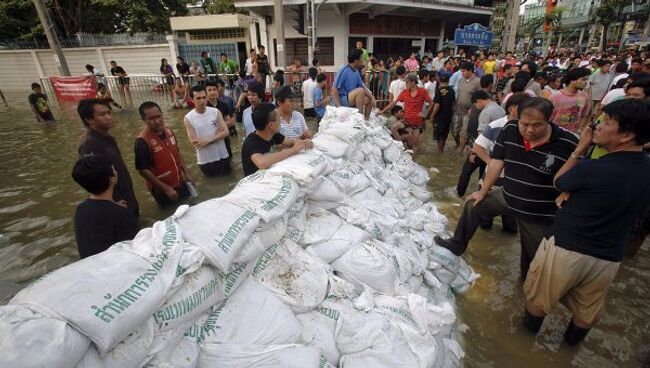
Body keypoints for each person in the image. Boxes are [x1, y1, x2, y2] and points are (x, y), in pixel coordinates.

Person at [523, 98, 650, 345]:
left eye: (608, 122)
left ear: (626, 135)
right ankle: (569, 348)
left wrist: (579, 149)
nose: (598, 126)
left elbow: (559, 182)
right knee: (585, 313)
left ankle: (524, 344)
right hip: (608, 257)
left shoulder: (594, 168)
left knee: (538, 300)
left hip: (567, 249)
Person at [435, 98, 579, 279]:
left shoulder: (569, 143)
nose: (529, 130)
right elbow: (497, 163)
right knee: (473, 205)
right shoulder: (509, 130)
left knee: (533, 262)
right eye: (524, 124)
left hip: (537, 212)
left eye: (537, 125)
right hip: (507, 196)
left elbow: (581, 174)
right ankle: (457, 245)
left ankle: (526, 285)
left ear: (549, 120)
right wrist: (483, 190)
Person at [77, 98, 139, 219]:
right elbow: (90, 179)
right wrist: (110, 204)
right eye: (102, 114)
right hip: (115, 202)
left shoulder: (106, 137)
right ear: (89, 119)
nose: (109, 117)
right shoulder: (90, 144)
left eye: (109, 112)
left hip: (125, 194)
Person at [72, 155, 139, 259]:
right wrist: (117, 210)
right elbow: (137, 250)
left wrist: (113, 206)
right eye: (114, 169)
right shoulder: (122, 215)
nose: (116, 172)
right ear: (112, 178)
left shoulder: (80, 210)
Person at [135, 101, 194, 207]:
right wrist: (165, 188)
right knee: (171, 215)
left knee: (190, 206)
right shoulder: (142, 141)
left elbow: (177, 152)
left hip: (179, 181)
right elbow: (142, 170)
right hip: (162, 188)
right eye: (151, 118)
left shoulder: (169, 131)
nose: (157, 121)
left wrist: (187, 172)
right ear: (143, 119)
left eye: (159, 116)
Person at [241, 103, 312, 176]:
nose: (281, 121)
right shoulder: (251, 143)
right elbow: (262, 163)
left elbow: (292, 142)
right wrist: (293, 150)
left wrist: (305, 143)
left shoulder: (274, 135)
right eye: (279, 119)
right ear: (271, 124)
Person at [381, 73, 433, 158]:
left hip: (417, 123)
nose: (405, 84)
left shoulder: (423, 91)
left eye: (407, 82)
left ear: (413, 82)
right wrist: (382, 111)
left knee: (414, 144)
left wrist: (425, 114)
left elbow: (431, 103)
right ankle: (400, 145)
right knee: (393, 127)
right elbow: (393, 102)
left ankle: (412, 162)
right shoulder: (405, 92)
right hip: (406, 120)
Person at [183, 85, 231, 177]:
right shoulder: (188, 118)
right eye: (198, 98)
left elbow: (226, 132)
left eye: (204, 97)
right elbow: (195, 143)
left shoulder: (215, 112)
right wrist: (217, 136)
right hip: (205, 160)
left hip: (222, 156)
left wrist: (207, 140)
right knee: (211, 188)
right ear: (192, 99)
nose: (202, 101)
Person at [332, 49, 375, 119]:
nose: (363, 61)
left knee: (368, 99)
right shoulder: (344, 70)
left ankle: (366, 120)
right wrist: (339, 107)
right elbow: (334, 89)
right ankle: (359, 118)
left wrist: (372, 97)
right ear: (356, 60)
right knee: (360, 91)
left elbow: (363, 87)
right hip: (343, 99)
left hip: (351, 98)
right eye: (361, 59)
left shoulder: (356, 72)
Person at [550, 67, 591, 133]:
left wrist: (579, 129)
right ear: (572, 80)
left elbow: (583, 115)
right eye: (583, 79)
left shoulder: (583, 96)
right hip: (555, 134)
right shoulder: (555, 97)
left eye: (587, 80)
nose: (586, 82)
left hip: (573, 134)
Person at [453, 62, 481, 152]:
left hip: (469, 112)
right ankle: (458, 145)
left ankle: (460, 151)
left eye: (464, 71)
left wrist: (473, 108)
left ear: (470, 71)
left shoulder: (477, 82)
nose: (462, 73)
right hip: (457, 109)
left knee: (463, 133)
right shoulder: (461, 80)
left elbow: (480, 97)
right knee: (454, 131)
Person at [431, 73, 455, 153]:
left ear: (439, 80)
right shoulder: (452, 90)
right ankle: (442, 150)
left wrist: (432, 116)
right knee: (444, 134)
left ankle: (440, 152)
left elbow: (437, 105)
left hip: (440, 117)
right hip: (448, 116)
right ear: (448, 80)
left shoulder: (439, 91)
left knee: (439, 135)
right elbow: (453, 103)